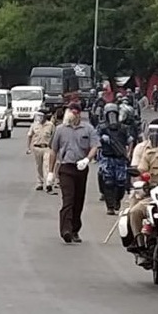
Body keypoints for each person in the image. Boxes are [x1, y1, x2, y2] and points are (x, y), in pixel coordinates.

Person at [49, 103, 100, 243]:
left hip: (81, 167)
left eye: (74, 112)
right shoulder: (60, 129)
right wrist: (50, 173)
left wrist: (87, 159)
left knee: (79, 200)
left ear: (78, 114)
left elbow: (94, 146)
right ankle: (65, 230)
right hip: (66, 167)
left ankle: (75, 230)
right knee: (68, 199)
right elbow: (53, 150)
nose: (71, 115)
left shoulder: (88, 129)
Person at [98, 103, 134, 215]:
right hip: (107, 158)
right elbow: (94, 140)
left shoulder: (123, 128)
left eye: (114, 114)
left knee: (121, 183)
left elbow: (130, 140)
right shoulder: (102, 127)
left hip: (120, 159)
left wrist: (128, 153)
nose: (112, 116)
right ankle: (110, 206)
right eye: (110, 114)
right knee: (108, 182)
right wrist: (101, 139)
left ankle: (117, 200)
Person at [26, 109, 55, 192]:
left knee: (46, 166)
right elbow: (29, 136)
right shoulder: (34, 125)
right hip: (37, 148)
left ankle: (48, 183)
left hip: (47, 148)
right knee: (39, 166)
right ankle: (40, 182)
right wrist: (28, 148)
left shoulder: (50, 125)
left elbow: (54, 136)